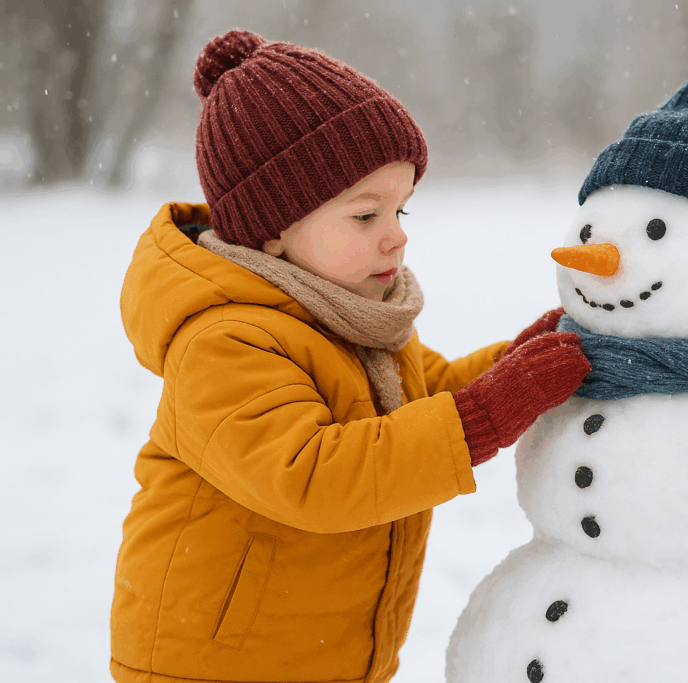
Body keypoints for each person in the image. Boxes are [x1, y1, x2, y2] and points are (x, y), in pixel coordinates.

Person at [110, 29, 589, 683]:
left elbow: (427, 393)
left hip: (320, 656)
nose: (396, 236)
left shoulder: (348, 315)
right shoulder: (222, 342)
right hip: (214, 665)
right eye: (366, 217)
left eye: (401, 209)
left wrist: (519, 359)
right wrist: (486, 413)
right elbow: (313, 474)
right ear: (272, 231)